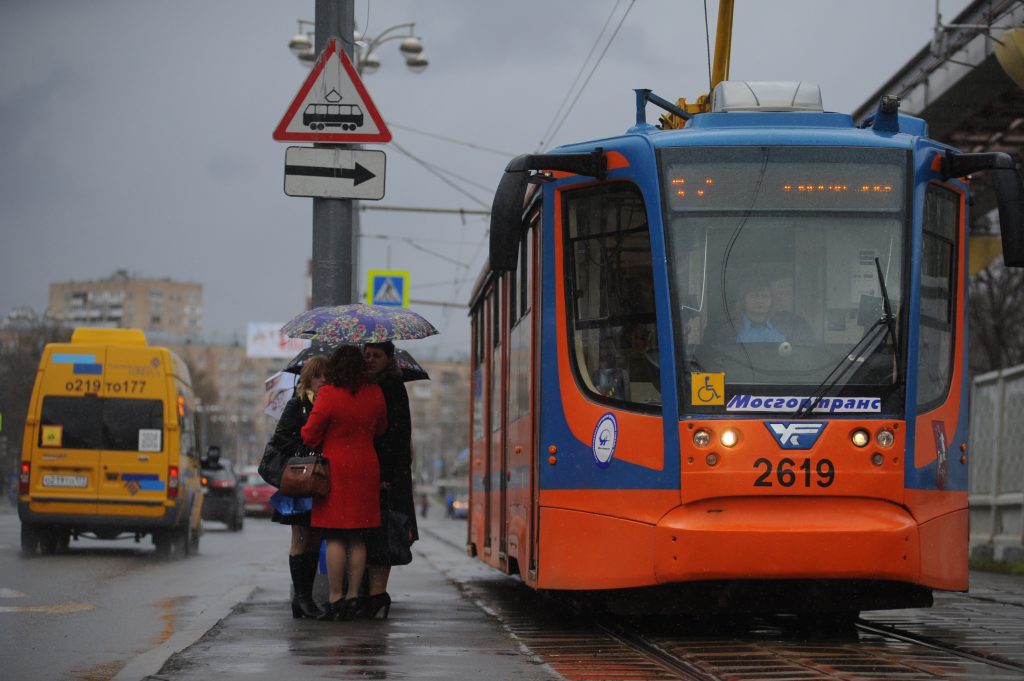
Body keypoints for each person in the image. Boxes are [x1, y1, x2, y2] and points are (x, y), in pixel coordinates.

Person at [301, 346, 387, 622]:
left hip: (335, 470)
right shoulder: (375, 393)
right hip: (366, 469)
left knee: (336, 535)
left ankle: (335, 598)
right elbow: (381, 428)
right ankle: (353, 597)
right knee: (358, 536)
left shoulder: (327, 394)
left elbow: (310, 435)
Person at [361, 340, 419, 620]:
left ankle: (377, 595)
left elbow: (395, 436)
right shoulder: (375, 385)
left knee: (382, 535)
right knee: (373, 534)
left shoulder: (391, 387)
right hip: (379, 471)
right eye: (367, 355)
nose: (370, 359)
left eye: (376, 356)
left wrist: (385, 474)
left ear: (388, 359)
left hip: (387, 474)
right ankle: (374, 596)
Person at [268, 355, 328, 619]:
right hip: (300, 480)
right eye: (318, 375)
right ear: (308, 378)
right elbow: (280, 438)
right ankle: (300, 598)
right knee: (301, 539)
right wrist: (305, 451)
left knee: (314, 539)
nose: (323, 380)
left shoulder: (328, 403)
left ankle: (307, 598)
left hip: (318, 481)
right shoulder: (298, 403)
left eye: (327, 375)